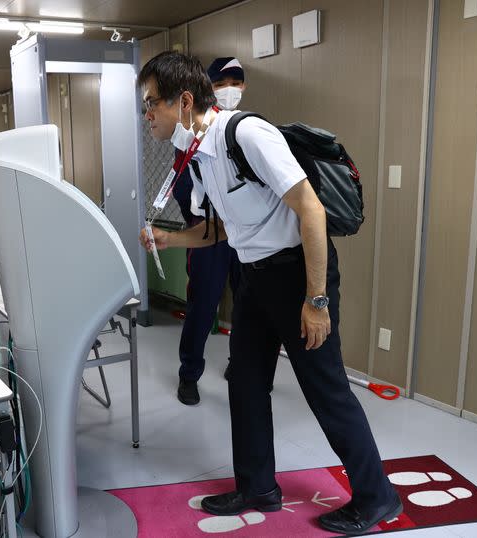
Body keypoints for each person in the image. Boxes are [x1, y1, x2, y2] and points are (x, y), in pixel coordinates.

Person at [137, 51, 400, 535]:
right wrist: (171, 238)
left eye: (152, 103)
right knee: (246, 381)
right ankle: (258, 486)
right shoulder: (199, 153)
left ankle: (377, 496)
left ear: (186, 100)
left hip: (299, 276)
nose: (147, 115)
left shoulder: (246, 135)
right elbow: (219, 230)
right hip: (254, 278)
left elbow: (312, 212)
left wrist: (316, 300)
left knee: (325, 390)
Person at [172, 57, 245, 405]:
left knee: (248, 303)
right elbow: (183, 187)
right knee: (203, 304)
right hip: (207, 233)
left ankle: (242, 365)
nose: (229, 89)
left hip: (245, 235)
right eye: (220, 82)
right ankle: (189, 375)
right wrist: (200, 223)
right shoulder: (193, 130)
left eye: (236, 81)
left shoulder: (246, 127)